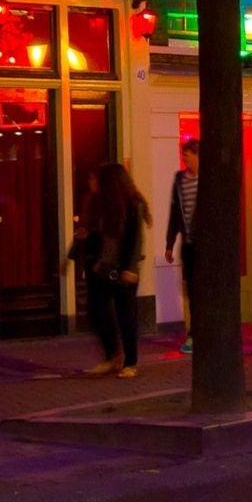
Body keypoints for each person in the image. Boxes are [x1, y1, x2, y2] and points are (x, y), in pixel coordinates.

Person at [82, 162, 150, 378]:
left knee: (126, 314)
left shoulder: (132, 206)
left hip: (123, 268)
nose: (94, 183)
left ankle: (130, 362)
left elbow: (134, 239)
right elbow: (101, 236)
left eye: (99, 179)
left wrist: (130, 268)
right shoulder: (102, 205)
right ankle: (113, 355)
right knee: (96, 309)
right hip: (104, 267)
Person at [163, 138, 200, 354]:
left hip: (205, 247)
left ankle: (199, 333)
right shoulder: (180, 179)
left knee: (202, 291)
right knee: (192, 292)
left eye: (188, 155)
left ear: (197, 155)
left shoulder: (208, 180)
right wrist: (170, 242)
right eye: (183, 155)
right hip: (188, 245)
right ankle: (195, 333)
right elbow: (175, 213)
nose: (184, 158)